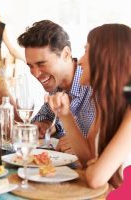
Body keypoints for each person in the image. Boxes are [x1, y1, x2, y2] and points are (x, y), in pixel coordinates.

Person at [45, 24, 131, 188]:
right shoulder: (105, 102)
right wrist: (65, 115)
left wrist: (95, 166)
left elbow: (95, 178)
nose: (81, 60)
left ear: (105, 58)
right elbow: (87, 158)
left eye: (87, 52)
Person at [17, 20, 95, 152]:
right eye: (30, 66)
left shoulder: (95, 86)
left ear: (66, 54)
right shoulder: (56, 85)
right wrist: (46, 124)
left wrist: (84, 143)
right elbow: (45, 115)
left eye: (41, 63)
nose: (35, 73)